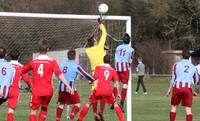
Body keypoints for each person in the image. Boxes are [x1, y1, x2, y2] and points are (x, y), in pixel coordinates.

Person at [22, 39, 73, 121]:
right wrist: (68, 86)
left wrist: (29, 82)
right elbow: (60, 75)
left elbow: (22, 71)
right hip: (48, 91)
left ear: (39, 49)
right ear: (48, 49)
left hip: (36, 90)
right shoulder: (52, 62)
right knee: (44, 108)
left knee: (33, 111)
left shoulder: (33, 62)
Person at [77, 55, 124, 121]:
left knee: (89, 103)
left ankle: (79, 119)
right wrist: (118, 93)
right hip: (108, 91)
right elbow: (117, 83)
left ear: (103, 60)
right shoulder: (113, 70)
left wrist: (90, 81)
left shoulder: (98, 67)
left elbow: (94, 78)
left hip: (98, 90)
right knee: (115, 104)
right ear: (110, 61)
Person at [56, 50, 95, 121]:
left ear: (67, 56)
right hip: (70, 88)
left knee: (61, 104)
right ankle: (71, 117)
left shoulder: (62, 64)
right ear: (74, 56)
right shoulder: (76, 66)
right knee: (77, 104)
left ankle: (57, 119)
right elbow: (85, 74)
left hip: (61, 88)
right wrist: (92, 79)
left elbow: (58, 74)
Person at [166, 48, 199, 121]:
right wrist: (196, 91)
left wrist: (169, 90)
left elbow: (173, 78)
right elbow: (197, 81)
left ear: (182, 56)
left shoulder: (176, 65)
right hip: (187, 89)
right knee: (188, 110)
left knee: (174, 107)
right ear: (189, 57)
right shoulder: (193, 67)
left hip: (177, 88)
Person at [86, 18, 107, 120]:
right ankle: (101, 112)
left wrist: (102, 48)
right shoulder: (99, 47)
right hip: (102, 74)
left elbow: (94, 48)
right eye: (95, 40)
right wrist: (101, 24)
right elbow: (104, 34)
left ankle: (95, 113)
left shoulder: (88, 51)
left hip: (95, 75)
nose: (96, 40)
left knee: (94, 94)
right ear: (94, 42)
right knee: (103, 94)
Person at [7, 50, 31, 121]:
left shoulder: (6, 65)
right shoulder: (21, 67)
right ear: (19, 57)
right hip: (15, 89)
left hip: (4, 88)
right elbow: (27, 79)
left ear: (10, 57)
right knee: (11, 109)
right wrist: (30, 87)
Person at [114, 33, 134, 112]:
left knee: (116, 83)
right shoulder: (131, 49)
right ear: (129, 41)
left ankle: (113, 99)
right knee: (125, 85)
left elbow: (115, 56)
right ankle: (121, 102)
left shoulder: (118, 47)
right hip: (125, 68)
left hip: (117, 67)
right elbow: (130, 61)